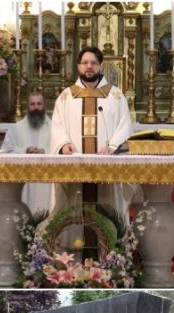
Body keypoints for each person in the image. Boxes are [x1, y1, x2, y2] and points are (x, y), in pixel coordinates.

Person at [50, 46, 135, 215]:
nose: (89, 66)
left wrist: (112, 146)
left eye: (93, 63)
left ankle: (109, 241)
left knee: (107, 209)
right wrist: (63, 144)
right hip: (75, 167)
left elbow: (125, 125)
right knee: (73, 210)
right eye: (85, 63)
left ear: (101, 66)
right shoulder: (66, 96)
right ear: (78, 66)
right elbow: (57, 125)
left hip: (107, 167)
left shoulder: (115, 96)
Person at [2, 90, 61, 214]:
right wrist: (25, 151)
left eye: (39, 104)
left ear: (45, 105)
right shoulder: (16, 128)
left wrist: (44, 151)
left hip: (46, 181)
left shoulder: (55, 128)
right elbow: (6, 151)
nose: (36, 108)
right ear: (27, 106)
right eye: (32, 104)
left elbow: (61, 150)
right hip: (23, 181)